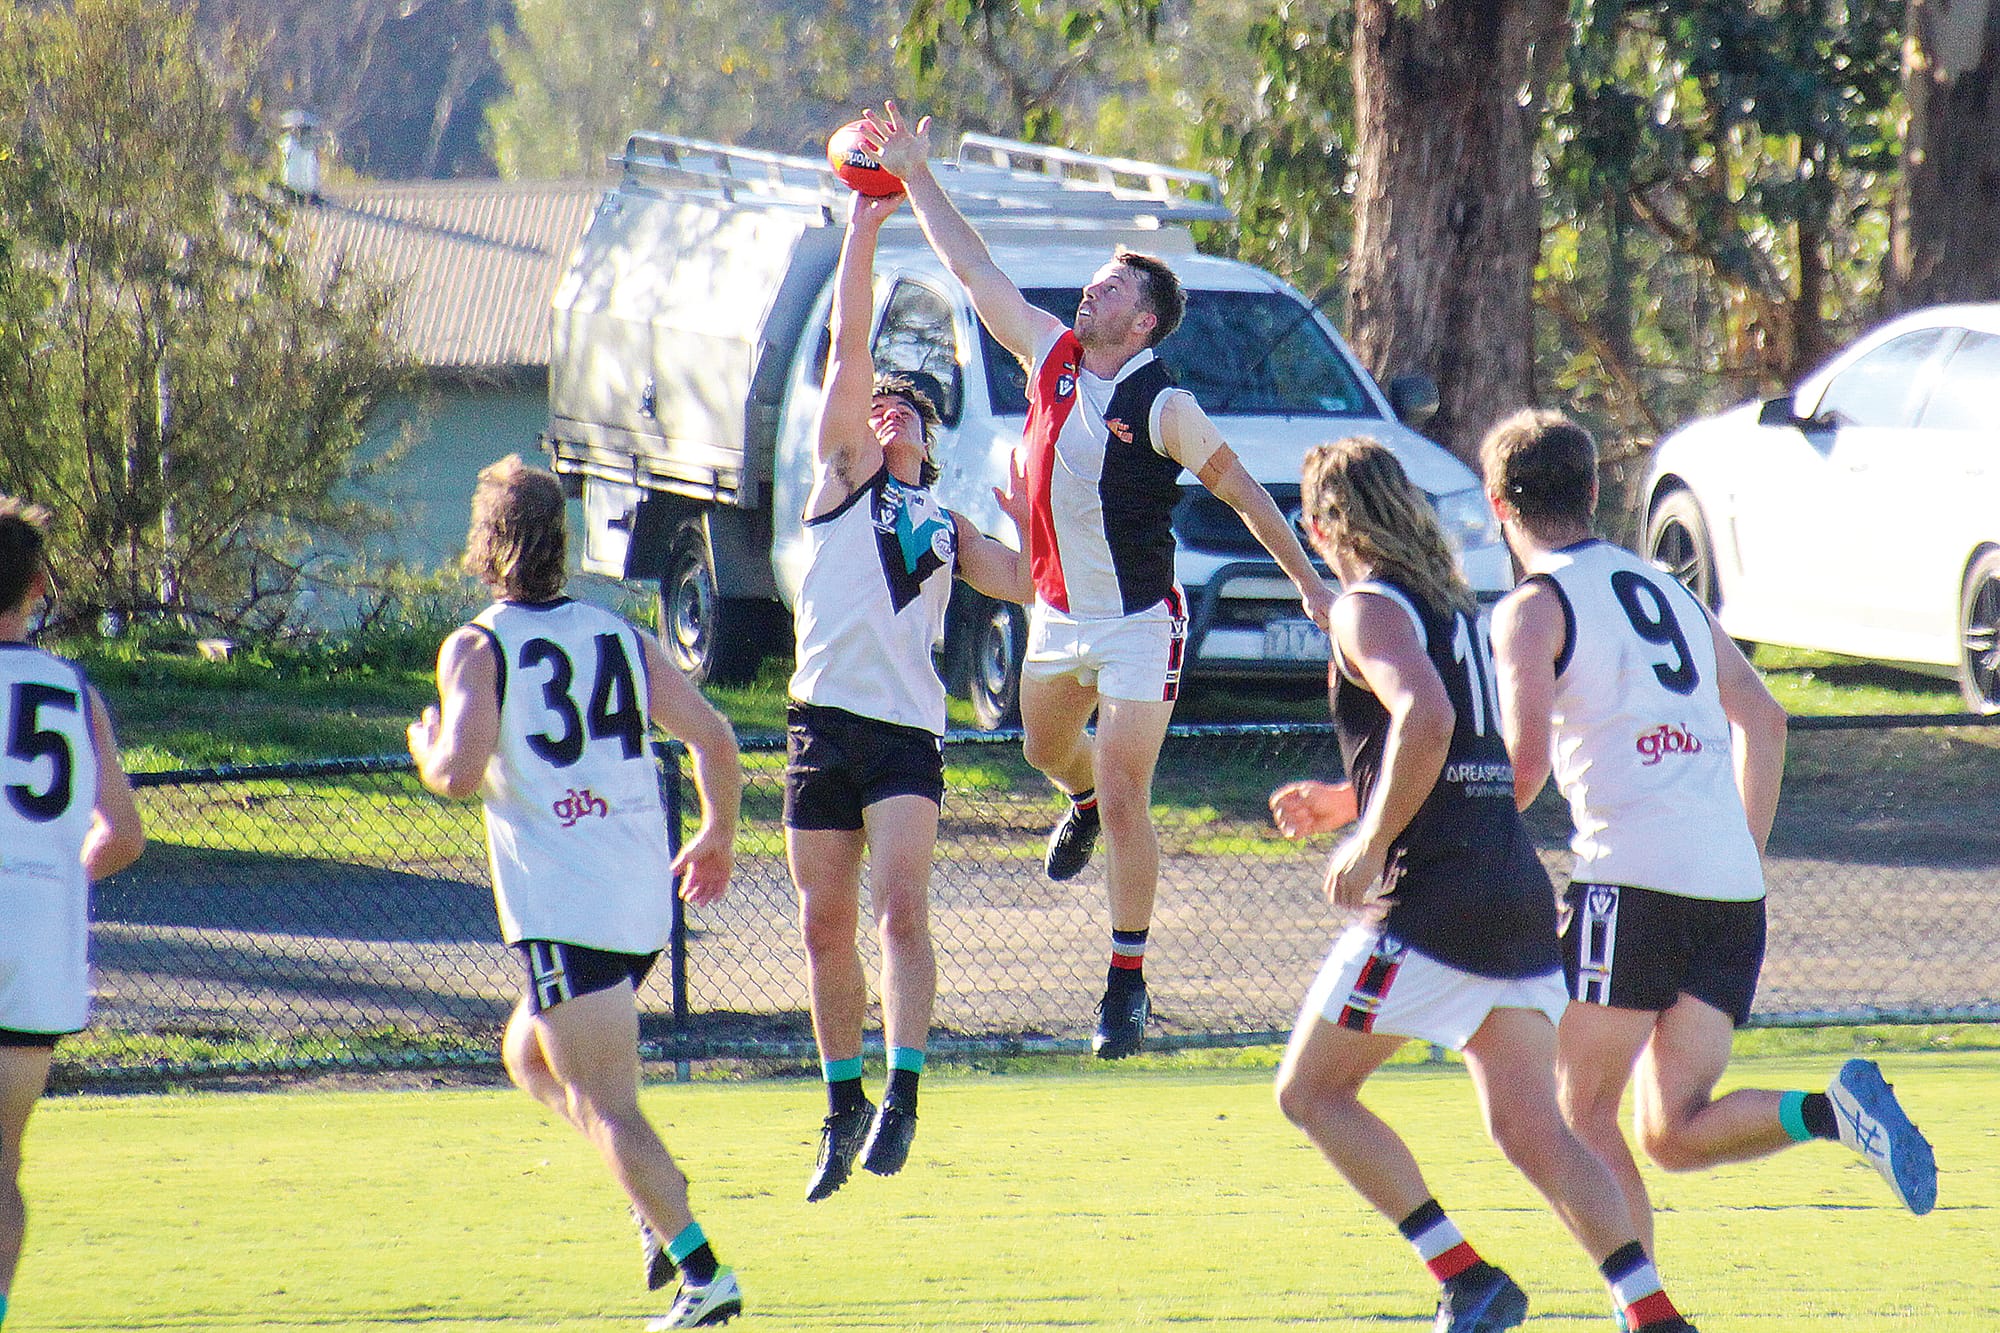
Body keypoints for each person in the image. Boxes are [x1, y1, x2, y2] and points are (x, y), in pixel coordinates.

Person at [866, 102, 1336, 1059]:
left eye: (1111, 284)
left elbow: (1247, 493)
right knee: (1045, 749)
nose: (1091, 290)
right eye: (1094, 279)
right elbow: (975, 270)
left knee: (1126, 791)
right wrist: (916, 175)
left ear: (1144, 318)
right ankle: (1074, 801)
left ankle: (1126, 980)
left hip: (1138, 624)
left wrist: (1311, 584)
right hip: (1057, 614)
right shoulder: (1051, 356)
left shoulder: (1165, 404)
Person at [1480, 409, 1938, 1270]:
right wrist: (1741, 857)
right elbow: (1764, 719)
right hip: (1729, 890)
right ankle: (1831, 1112)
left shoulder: (1532, 608)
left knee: (1575, 1111)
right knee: (1672, 1130)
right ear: (1593, 490)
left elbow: (1525, 766)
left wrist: (1444, 832)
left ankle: (1644, 1314)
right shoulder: (1669, 589)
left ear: (1498, 505)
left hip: (1631, 880)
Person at [1267, 438, 1697, 1333]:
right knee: (1533, 1129)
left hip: (1433, 903)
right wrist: (1350, 797)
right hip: (1512, 892)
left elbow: (1427, 719)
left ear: (1322, 524)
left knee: (1310, 1093)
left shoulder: (1369, 608)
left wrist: (1368, 840)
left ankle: (1466, 1278)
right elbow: (1462, 750)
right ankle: (1652, 1312)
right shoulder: (1450, 606)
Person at [408, 457, 745, 1330]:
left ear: (486, 542)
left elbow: (458, 771)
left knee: (605, 1101)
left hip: (567, 901)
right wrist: (716, 831)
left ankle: (702, 1271)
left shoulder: (478, 645)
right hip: (638, 900)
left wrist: (426, 743)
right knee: (528, 1055)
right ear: (561, 541)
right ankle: (649, 1196)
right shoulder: (619, 635)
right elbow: (715, 738)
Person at [787, 189, 1032, 1201]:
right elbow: (850, 347)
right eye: (877, 404)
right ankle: (840, 1100)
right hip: (819, 720)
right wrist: (863, 231)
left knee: (898, 911)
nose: (887, 409)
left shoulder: (944, 522)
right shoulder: (842, 476)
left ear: (930, 439)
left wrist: (1032, 517)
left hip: (901, 734)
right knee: (823, 924)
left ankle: (903, 1093)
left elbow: (1026, 582)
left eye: (909, 408)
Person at [0, 497, 146, 1330]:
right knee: (1, 1169)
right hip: (36, 949)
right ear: (36, 588)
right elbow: (121, 833)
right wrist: (52, 877)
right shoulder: (72, 689)